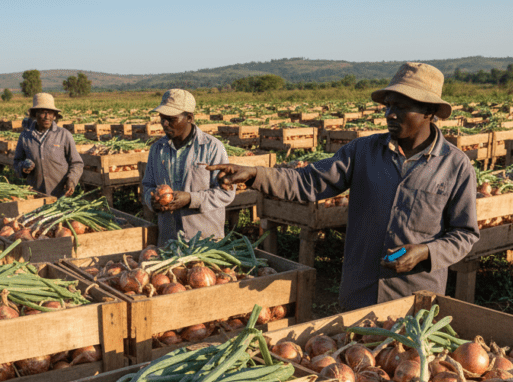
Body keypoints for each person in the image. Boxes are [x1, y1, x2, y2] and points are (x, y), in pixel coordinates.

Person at [208, 63, 479, 310]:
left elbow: (464, 234)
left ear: (429, 111)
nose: (390, 115)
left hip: (414, 298)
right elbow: (309, 181)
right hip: (359, 292)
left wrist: (426, 251)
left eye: (400, 107)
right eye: (388, 106)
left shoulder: (455, 166)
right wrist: (255, 174)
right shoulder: (363, 152)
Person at [141, 89, 235, 246]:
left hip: (205, 241)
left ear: (189, 117)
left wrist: (191, 199)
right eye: (162, 118)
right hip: (168, 239)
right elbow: (147, 186)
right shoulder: (157, 149)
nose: (164, 124)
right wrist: (152, 201)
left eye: (171, 119)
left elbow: (226, 193)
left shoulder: (212, 147)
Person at [12, 93, 83, 197]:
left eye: (50, 113)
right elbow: (16, 162)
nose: (47, 117)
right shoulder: (25, 136)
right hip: (35, 194)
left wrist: (71, 180)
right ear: (35, 114)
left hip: (60, 196)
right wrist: (23, 168)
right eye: (43, 112)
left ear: (55, 115)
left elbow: (77, 163)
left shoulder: (64, 135)